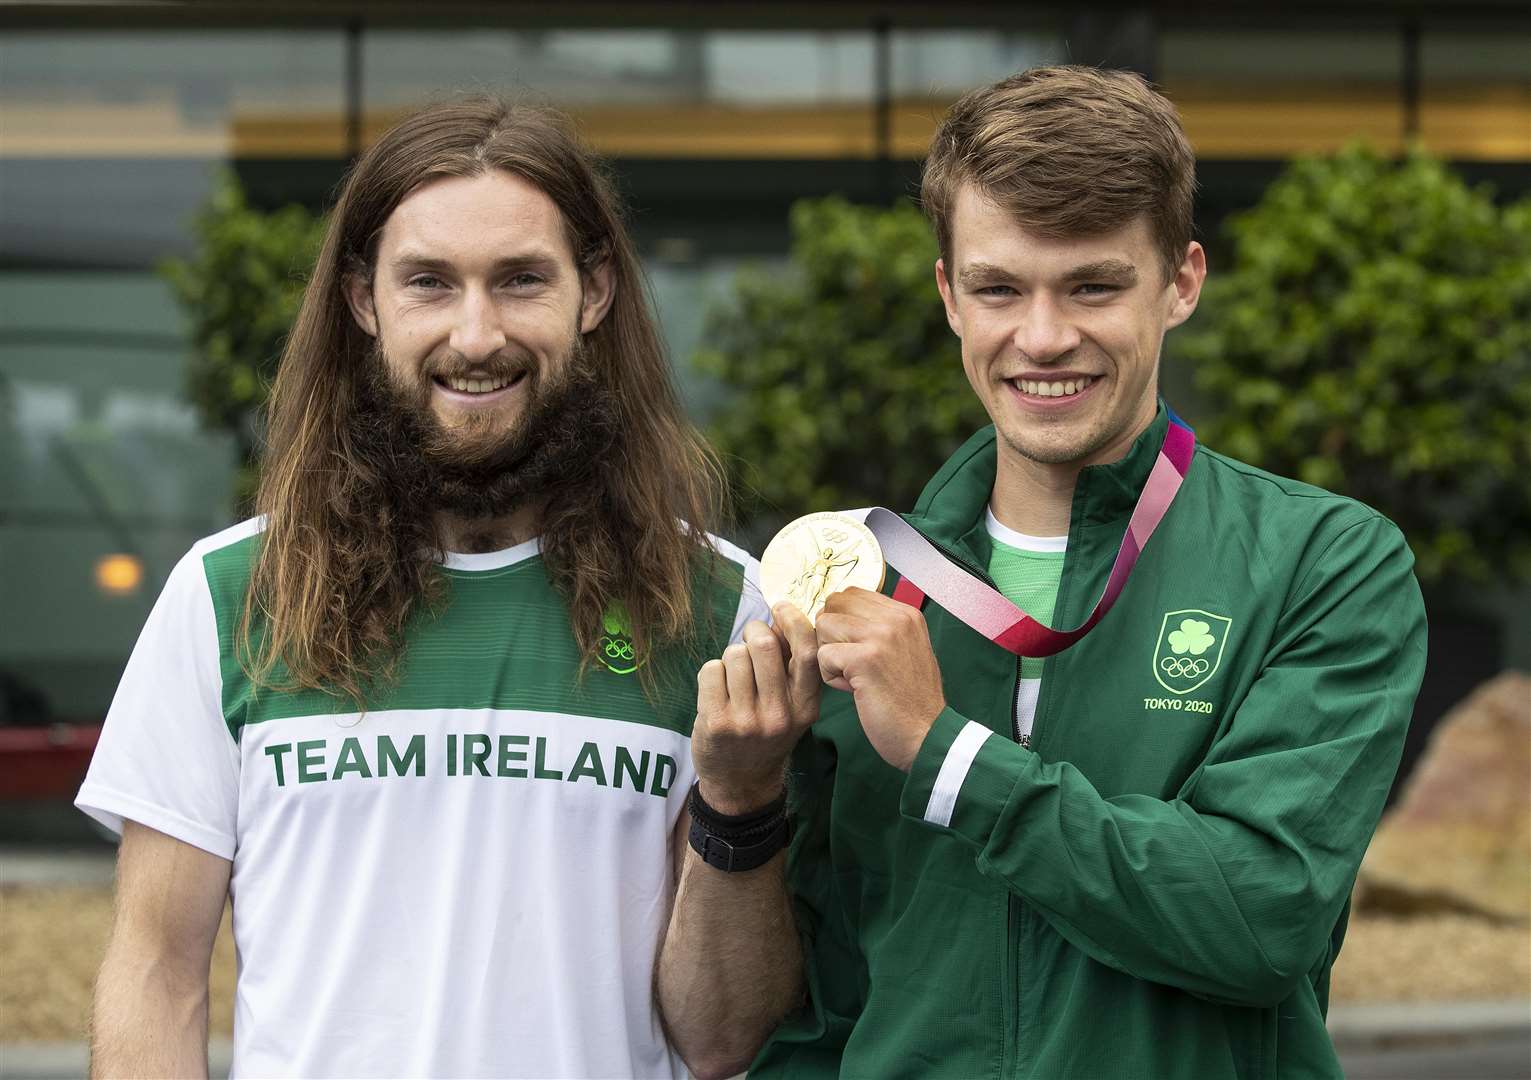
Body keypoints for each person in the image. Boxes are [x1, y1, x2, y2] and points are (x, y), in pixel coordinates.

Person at [727, 66, 1428, 1078]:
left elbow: (1257, 915)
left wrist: (948, 755)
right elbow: (822, 996)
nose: (1043, 337)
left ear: (1181, 282)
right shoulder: (864, 593)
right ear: (947, 296)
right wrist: (735, 795)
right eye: (998, 288)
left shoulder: (1321, 562)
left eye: (1093, 285)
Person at [75, 98, 780, 1079]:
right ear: (366, 302)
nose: (476, 333)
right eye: (430, 284)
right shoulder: (232, 593)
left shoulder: (713, 605)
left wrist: (741, 801)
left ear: (596, 292)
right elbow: (155, 972)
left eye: (521, 280)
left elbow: (719, 1039)